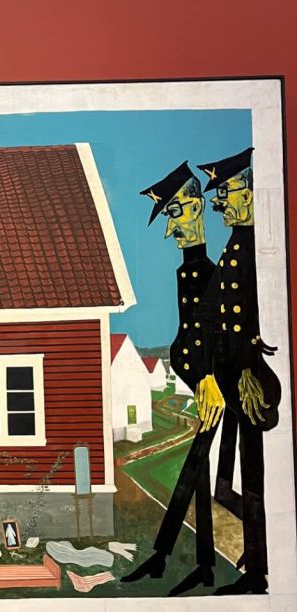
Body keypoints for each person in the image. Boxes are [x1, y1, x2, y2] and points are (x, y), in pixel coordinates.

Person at [123, 162, 228, 596]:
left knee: (196, 468)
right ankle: (197, 563)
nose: (171, 229)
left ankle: (169, 557)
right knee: (195, 472)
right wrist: (196, 371)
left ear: (198, 206)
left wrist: (209, 377)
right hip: (204, 383)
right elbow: (188, 337)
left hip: (218, 387)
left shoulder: (211, 273)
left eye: (175, 213)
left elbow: (216, 335)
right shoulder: (189, 270)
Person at [199, 148, 279, 595]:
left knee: (252, 478)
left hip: (249, 381)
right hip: (231, 379)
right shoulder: (233, 246)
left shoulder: (256, 247)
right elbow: (213, 311)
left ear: (248, 193)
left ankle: (258, 567)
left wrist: (248, 362)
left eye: (226, 194)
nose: (221, 204)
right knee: (228, 482)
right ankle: (256, 550)